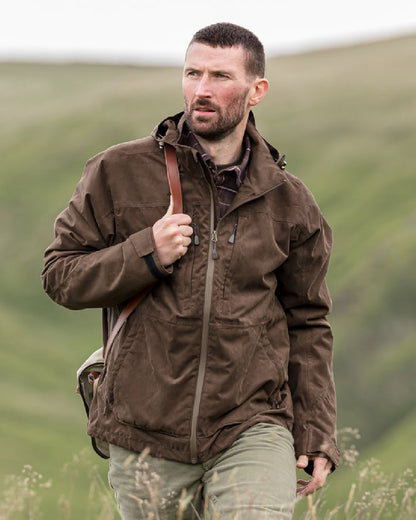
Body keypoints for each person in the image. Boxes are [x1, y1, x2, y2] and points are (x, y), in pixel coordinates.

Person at [42, 22, 339, 520]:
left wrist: (315, 430)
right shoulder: (117, 171)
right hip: (143, 429)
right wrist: (146, 254)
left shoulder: (291, 203)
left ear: (256, 91)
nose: (201, 89)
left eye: (220, 76)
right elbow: (61, 276)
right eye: (192, 73)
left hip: (251, 422)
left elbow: (308, 320)